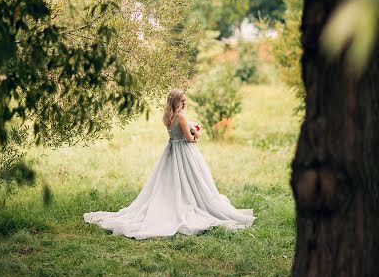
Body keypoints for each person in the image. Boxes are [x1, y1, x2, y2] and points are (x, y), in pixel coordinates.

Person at [83, 88, 255, 240]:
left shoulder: (168, 116)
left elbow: (176, 133)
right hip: (185, 152)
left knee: (171, 180)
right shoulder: (180, 116)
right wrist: (196, 135)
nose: (185, 103)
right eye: (183, 100)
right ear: (176, 101)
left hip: (171, 150)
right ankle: (187, 204)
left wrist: (190, 127)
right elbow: (188, 139)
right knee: (193, 180)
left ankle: (176, 199)